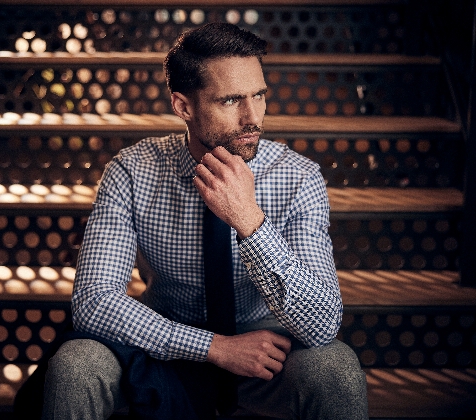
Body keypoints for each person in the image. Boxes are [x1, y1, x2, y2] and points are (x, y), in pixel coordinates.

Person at [42, 22, 368, 419]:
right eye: (231, 100)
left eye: (259, 95)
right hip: (161, 346)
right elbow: (93, 302)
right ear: (183, 106)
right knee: (76, 363)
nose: (253, 117)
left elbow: (321, 325)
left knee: (336, 369)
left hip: (265, 352)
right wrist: (214, 347)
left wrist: (248, 220)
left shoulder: (298, 177)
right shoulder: (131, 171)